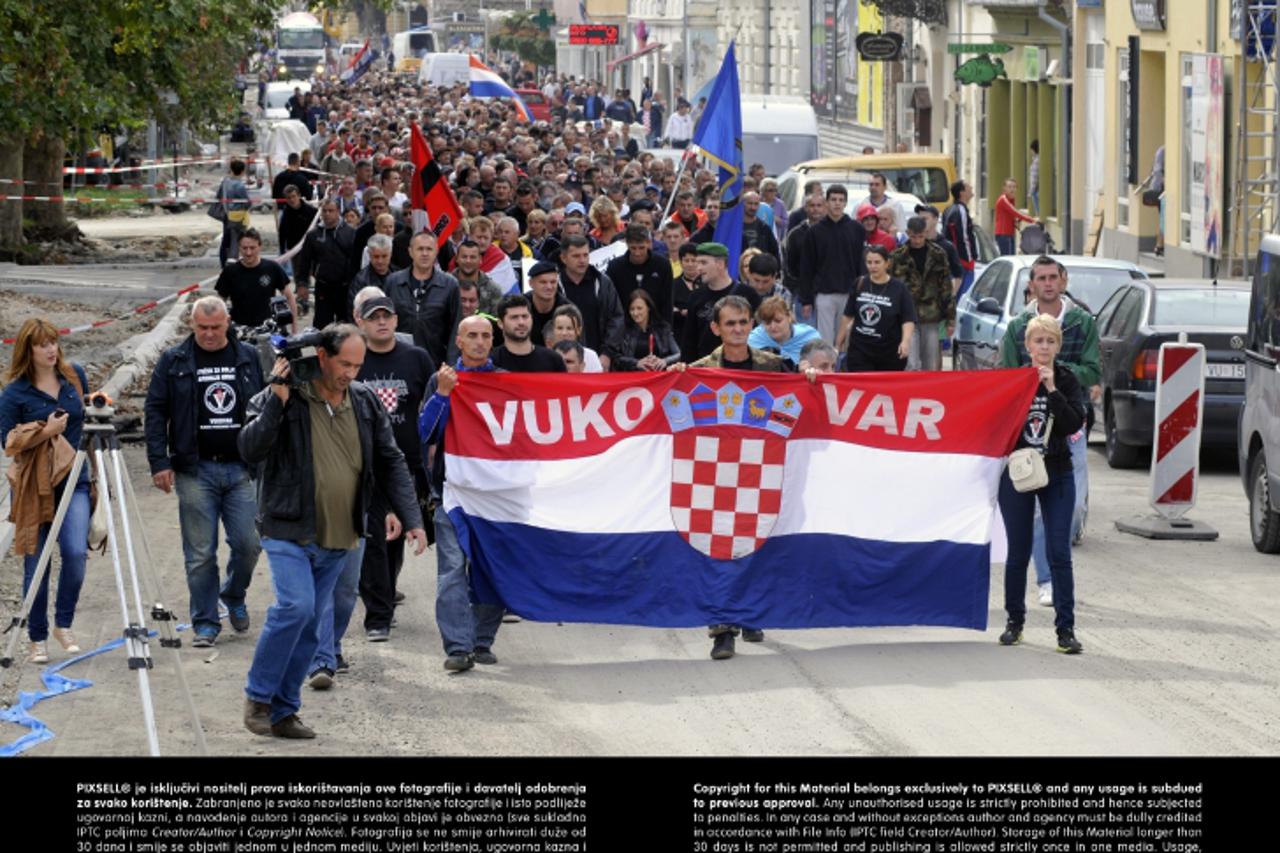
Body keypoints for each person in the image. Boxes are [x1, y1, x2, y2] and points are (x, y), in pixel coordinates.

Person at [239, 325, 427, 739]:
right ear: (321, 356)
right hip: (288, 527)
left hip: (341, 534)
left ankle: (285, 711)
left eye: (358, 366)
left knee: (310, 626)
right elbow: (249, 449)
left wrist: (412, 518)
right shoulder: (282, 395)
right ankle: (259, 696)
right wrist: (276, 401)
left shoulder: (362, 401)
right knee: (296, 609)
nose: (351, 373)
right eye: (345, 364)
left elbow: (391, 459)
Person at [669, 295, 786, 660]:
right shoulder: (700, 370)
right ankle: (722, 629)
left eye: (743, 322)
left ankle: (749, 613)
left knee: (758, 544)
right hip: (712, 476)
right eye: (730, 323)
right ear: (716, 328)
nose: (738, 329)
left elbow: (799, 404)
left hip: (760, 472)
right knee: (718, 548)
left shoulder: (775, 367)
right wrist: (671, 381)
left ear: (752, 324)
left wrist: (811, 377)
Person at [145, 296, 265, 647]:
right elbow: (155, 411)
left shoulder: (249, 356)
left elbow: (264, 406)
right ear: (192, 325)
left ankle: (233, 595)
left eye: (215, 327)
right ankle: (206, 622)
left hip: (241, 468)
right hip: (195, 470)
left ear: (228, 322)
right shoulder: (174, 360)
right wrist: (160, 462)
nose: (209, 334)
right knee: (200, 553)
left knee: (249, 545)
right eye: (202, 328)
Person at [998, 256, 1101, 604]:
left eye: (1053, 277)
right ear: (1032, 283)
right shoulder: (1018, 326)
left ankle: (1053, 571)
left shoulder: (1081, 322)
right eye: (1040, 278)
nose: (1047, 283)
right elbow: (1006, 377)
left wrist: (1057, 373)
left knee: (1073, 511)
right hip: (1030, 436)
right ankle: (1046, 581)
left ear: (1063, 280)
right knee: (1037, 508)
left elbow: (1092, 370)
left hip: (1069, 426)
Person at [418, 316, 508, 671]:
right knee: (453, 570)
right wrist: (442, 394)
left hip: (496, 497)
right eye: (472, 335)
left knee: (491, 569)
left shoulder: (504, 382)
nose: (480, 342)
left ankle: (481, 640)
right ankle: (458, 646)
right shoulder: (441, 381)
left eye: (486, 336)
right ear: (459, 340)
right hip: (453, 492)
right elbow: (425, 434)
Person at [0, 319, 91, 664]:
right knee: (35, 565)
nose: (51, 349)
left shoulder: (74, 375)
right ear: (28, 350)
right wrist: (45, 431)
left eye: (53, 341)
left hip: (76, 479)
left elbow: (84, 415)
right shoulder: (14, 393)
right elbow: (8, 443)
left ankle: (63, 624)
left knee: (75, 554)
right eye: (42, 344)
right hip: (34, 488)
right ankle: (37, 637)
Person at [997, 314, 1087, 656]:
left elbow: (1072, 423)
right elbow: (997, 421)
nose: (1044, 347)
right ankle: (1014, 623)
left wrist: (1051, 389)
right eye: (1039, 341)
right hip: (1020, 473)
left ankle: (1065, 629)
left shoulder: (1066, 379)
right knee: (1017, 552)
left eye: (1050, 341)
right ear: (1027, 345)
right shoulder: (1014, 379)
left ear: (1057, 346)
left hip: (1057, 471)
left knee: (1059, 552)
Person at [798, 185, 866, 346]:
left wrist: (861, 292)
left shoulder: (856, 229)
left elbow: (861, 263)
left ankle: (843, 370)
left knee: (845, 340)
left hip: (849, 292)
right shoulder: (814, 232)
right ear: (827, 202)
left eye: (841, 200)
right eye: (833, 199)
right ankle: (827, 370)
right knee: (825, 339)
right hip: (824, 293)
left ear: (845, 203)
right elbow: (807, 267)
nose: (837, 203)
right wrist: (806, 299)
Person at [384, 231, 463, 369]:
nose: (425, 253)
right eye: (420, 249)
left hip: (437, 362)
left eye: (429, 249)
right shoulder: (393, 282)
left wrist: (451, 363)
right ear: (410, 252)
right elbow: (385, 321)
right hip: (399, 360)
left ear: (436, 252)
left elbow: (456, 326)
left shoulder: (450, 284)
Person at [837, 244, 917, 372]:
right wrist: (838, 343)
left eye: (877, 262)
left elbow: (908, 319)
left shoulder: (899, 288)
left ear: (887, 263)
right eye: (869, 262)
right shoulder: (859, 283)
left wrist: (905, 341)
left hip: (889, 352)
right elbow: (848, 315)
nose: (873, 266)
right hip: (860, 350)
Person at [889, 216, 953, 372]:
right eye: (913, 236)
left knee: (931, 364)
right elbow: (891, 288)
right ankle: (909, 394)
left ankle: (929, 395)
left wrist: (950, 318)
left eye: (920, 236)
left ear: (926, 233)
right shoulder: (897, 257)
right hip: (905, 317)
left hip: (931, 315)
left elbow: (946, 287)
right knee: (910, 364)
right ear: (907, 233)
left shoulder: (938, 254)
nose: (917, 240)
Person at [681, 242, 762, 362]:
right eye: (698, 263)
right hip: (706, 369)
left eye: (703, 262)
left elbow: (759, 334)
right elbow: (689, 341)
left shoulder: (748, 294)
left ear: (719, 264)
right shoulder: (695, 297)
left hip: (741, 366)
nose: (698, 268)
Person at [557, 235, 623, 367]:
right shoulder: (555, 285)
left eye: (585, 255)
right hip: (563, 359)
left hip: (598, 358)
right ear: (564, 258)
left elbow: (616, 318)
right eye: (576, 256)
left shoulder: (602, 282)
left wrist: (607, 353)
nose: (582, 260)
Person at [214, 228, 297, 331]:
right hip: (239, 329)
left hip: (268, 328)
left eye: (252, 248)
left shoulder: (272, 268)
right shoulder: (230, 272)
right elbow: (219, 303)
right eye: (244, 248)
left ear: (259, 247)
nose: (248, 253)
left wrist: (294, 329)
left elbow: (290, 297)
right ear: (239, 248)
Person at [295, 199, 356, 327]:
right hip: (323, 287)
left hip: (345, 288)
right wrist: (302, 284)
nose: (327, 214)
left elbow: (356, 261)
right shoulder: (313, 235)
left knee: (345, 326)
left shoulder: (350, 233)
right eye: (324, 211)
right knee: (321, 326)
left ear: (338, 212)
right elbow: (304, 262)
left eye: (331, 211)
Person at [606, 224, 674, 325]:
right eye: (633, 248)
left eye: (641, 248)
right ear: (627, 244)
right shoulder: (615, 267)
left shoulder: (662, 265)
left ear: (648, 243)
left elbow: (667, 301)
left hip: (656, 325)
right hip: (625, 327)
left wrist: (666, 329)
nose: (637, 253)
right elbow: (611, 302)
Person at [608, 289, 681, 371]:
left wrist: (664, 361)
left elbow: (678, 354)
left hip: (659, 377)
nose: (635, 313)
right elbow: (615, 357)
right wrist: (636, 363)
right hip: (633, 379)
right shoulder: (623, 330)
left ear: (648, 307)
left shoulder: (663, 328)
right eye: (632, 309)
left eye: (639, 308)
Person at [493, 294, 568, 372]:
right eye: (514, 317)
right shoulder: (491, 361)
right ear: (501, 323)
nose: (521, 322)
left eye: (525, 316)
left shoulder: (553, 360)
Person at [747, 296, 821, 366]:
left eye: (778, 321)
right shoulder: (753, 339)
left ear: (789, 317)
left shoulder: (810, 336)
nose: (773, 327)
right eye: (767, 323)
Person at [943, 180, 978, 299]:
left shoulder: (949, 209)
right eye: (969, 187)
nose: (971, 187)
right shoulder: (960, 211)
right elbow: (964, 237)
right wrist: (970, 259)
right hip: (963, 262)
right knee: (963, 297)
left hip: (954, 259)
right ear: (962, 192)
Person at [546, 304, 605, 372]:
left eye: (569, 328)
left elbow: (597, 381)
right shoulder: (545, 357)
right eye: (560, 328)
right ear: (553, 330)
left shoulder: (590, 356)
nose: (564, 333)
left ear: (579, 330)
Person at [217, 159, 252, 267]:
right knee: (236, 242)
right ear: (242, 171)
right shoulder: (239, 186)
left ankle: (224, 264)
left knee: (226, 241)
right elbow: (247, 202)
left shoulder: (225, 182)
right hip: (238, 217)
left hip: (226, 214)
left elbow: (219, 195)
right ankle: (233, 265)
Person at [994, 178, 1037, 256]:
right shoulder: (1003, 199)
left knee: (1012, 258)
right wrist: (1032, 220)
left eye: (1014, 187)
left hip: (1010, 233)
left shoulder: (1011, 199)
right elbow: (1015, 212)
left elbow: (1013, 214)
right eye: (1009, 187)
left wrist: (1017, 220)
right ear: (1004, 188)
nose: (1012, 189)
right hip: (1003, 234)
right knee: (1008, 259)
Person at [1027, 140, 1040, 218]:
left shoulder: (1036, 161)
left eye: (1031, 150)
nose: (1031, 152)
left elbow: (1034, 177)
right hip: (1036, 189)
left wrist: (1030, 191)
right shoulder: (1036, 160)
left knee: (1038, 213)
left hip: (1035, 190)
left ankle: (1039, 220)